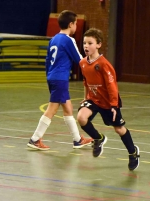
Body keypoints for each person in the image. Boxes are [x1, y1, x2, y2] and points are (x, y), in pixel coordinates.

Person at [27, 10, 93, 150]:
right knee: (52, 109)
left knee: (68, 108)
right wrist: (93, 66)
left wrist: (49, 76)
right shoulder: (69, 40)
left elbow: (47, 61)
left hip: (52, 77)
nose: (76, 26)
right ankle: (35, 139)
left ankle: (77, 140)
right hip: (60, 79)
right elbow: (80, 60)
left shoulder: (53, 39)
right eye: (75, 23)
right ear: (71, 24)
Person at [76, 28, 140, 171]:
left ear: (98, 45)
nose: (86, 46)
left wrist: (113, 105)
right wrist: (85, 97)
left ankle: (133, 152)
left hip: (108, 102)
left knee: (119, 129)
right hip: (93, 100)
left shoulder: (104, 65)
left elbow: (112, 86)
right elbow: (86, 82)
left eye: (90, 43)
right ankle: (98, 138)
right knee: (81, 117)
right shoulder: (82, 63)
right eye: (85, 43)